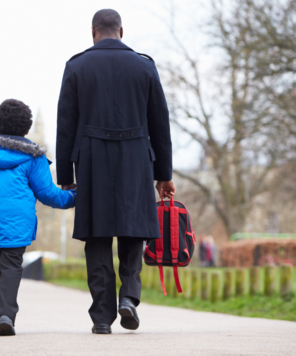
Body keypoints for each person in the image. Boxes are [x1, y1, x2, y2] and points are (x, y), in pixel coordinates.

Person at [56, 9, 176, 334]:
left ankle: (101, 317)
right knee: (132, 231)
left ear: (93, 31)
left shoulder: (76, 66)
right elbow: (159, 123)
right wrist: (163, 174)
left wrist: (65, 177)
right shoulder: (144, 65)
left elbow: (65, 126)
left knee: (96, 237)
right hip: (137, 158)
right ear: (121, 30)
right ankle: (129, 299)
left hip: (92, 160)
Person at [0, 99, 76, 336]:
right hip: (18, 220)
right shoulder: (33, 157)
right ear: (27, 129)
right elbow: (48, 194)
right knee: (12, 264)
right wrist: (75, 197)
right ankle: (5, 314)